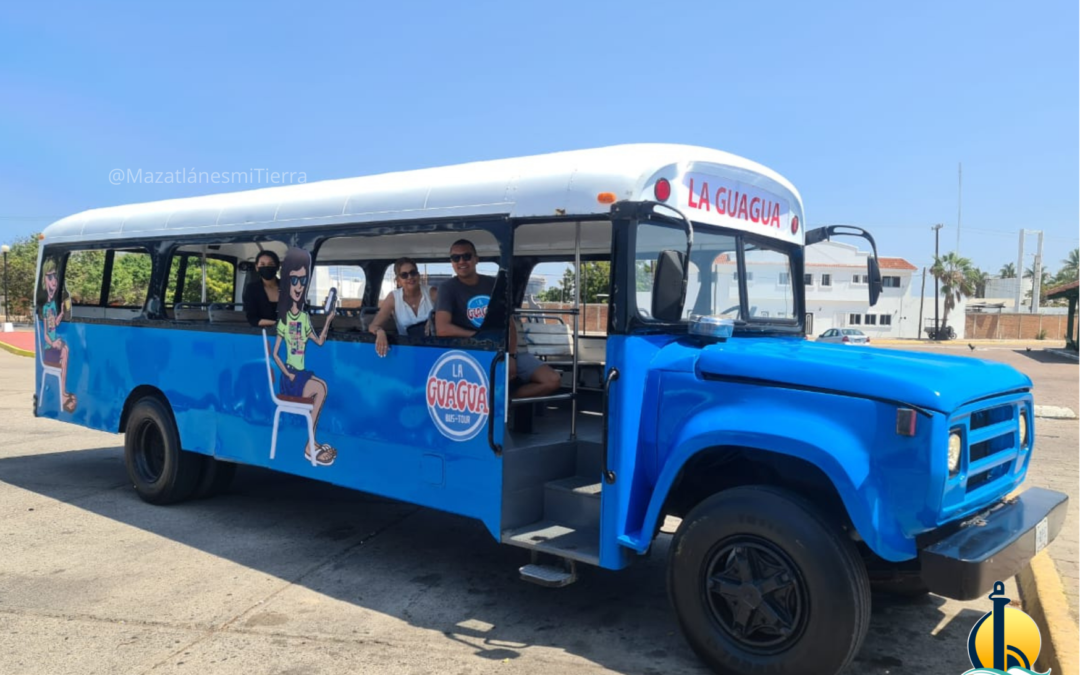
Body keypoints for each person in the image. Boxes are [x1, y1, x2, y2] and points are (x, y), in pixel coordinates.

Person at [435, 239, 561, 399]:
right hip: (471, 351)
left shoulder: (492, 284)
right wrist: (478, 337)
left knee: (552, 380)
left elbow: (509, 323)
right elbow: (442, 328)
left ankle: (505, 399)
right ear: (451, 262)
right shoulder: (447, 288)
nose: (461, 261)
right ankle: (498, 401)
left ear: (476, 259)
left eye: (466, 256)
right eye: (456, 258)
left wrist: (511, 356)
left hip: (504, 348)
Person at [271, 247, 338, 466]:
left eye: (303, 281)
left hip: (301, 374)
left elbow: (318, 342)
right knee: (320, 388)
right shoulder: (284, 320)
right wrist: (287, 374)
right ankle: (310, 445)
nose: (298, 286)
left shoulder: (304, 318)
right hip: (290, 377)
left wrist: (328, 320)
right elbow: (275, 353)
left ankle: (312, 440)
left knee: (323, 387)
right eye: (294, 280)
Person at [369, 257, 438, 357]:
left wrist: (436, 317)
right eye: (404, 275)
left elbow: (453, 313)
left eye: (413, 272)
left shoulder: (432, 293)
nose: (410, 277)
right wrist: (380, 332)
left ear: (418, 275)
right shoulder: (393, 297)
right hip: (407, 351)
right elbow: (373, 326)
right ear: (398, 281)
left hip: (434, 347)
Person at [40, 258, 77, 412]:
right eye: (50, 277)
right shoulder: (45, 307)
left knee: (65, 349)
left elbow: (53, 324)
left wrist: (62, 312)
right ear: (44, 280)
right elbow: (45, 334)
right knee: (64, 350)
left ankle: (63, 391)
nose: (54, 281)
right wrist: (52, 343)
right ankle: (62, 393)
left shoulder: (53, 306)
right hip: (49, 348)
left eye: (55, 277)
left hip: (53, 344)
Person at [243, 250, 280, 327]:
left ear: (277, 267)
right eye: (262, 264)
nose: (266, 267)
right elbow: (252, 319)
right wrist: (277, 324)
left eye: (271, 264)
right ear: (257, 267)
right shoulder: (252, 289)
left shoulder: (288, 288)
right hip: (262, 334)